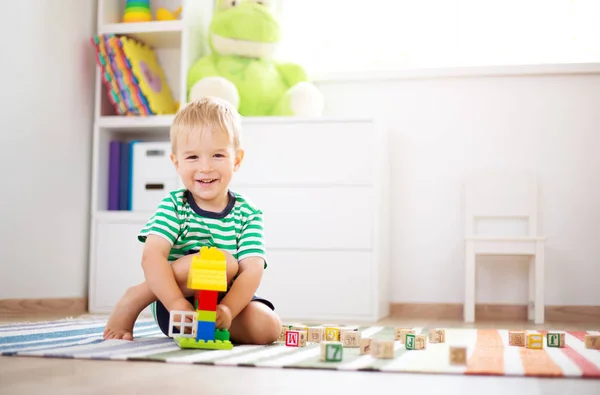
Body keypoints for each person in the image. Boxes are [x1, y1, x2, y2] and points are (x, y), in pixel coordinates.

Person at [103, 97, 282, 345]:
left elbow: (252, 270)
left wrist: (228, 309)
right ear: (176, 162)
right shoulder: (175, 205)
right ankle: (136, 296)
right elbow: (152, 257)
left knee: (269, 327)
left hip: (226, 301)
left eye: (218, 155)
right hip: (176, 303)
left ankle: (210, 327)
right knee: (224, 263)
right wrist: (175, 302)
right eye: (192, 158)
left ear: (237, 160)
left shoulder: (248, 213)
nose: (205, 167)